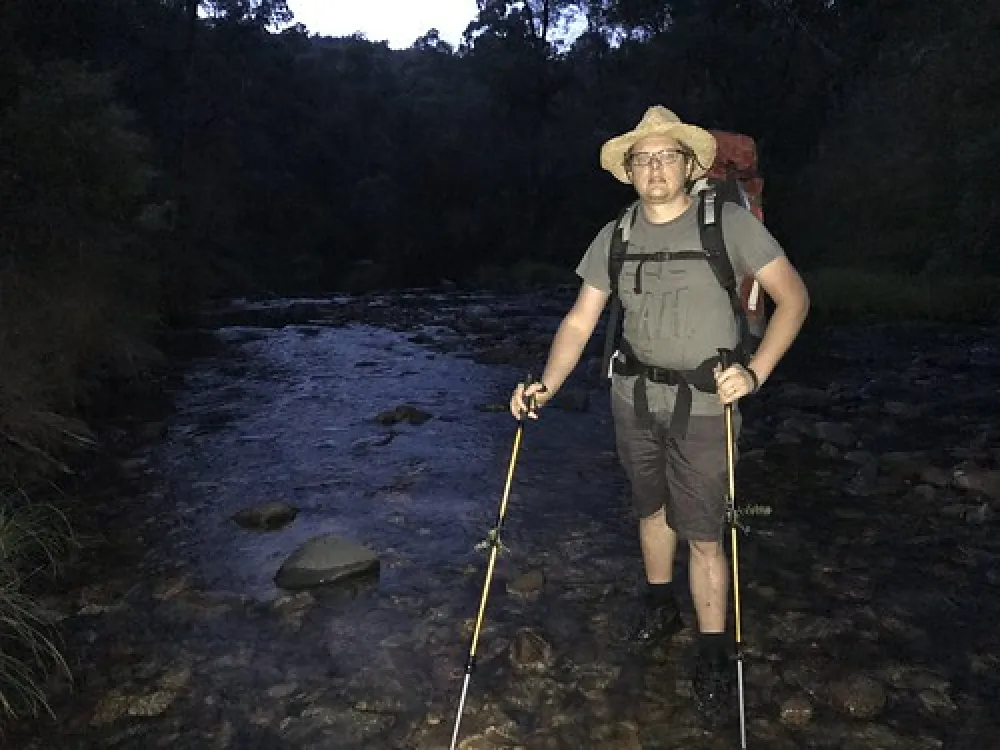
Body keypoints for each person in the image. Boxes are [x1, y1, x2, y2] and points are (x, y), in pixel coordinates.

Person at [509, 106, 810, 719]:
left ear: (688, 163)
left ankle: (711, 647)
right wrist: (543, 385)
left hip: (706, 405)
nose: (654, 168)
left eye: (666, 155)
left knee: (702, 532)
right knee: (650, 509)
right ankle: (658, 607)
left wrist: (756, 373)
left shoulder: (728, 224)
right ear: (628, 170)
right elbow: (579, 320)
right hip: (634, 398)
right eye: (642, 158)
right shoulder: (615, 236)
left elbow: (794, 298)